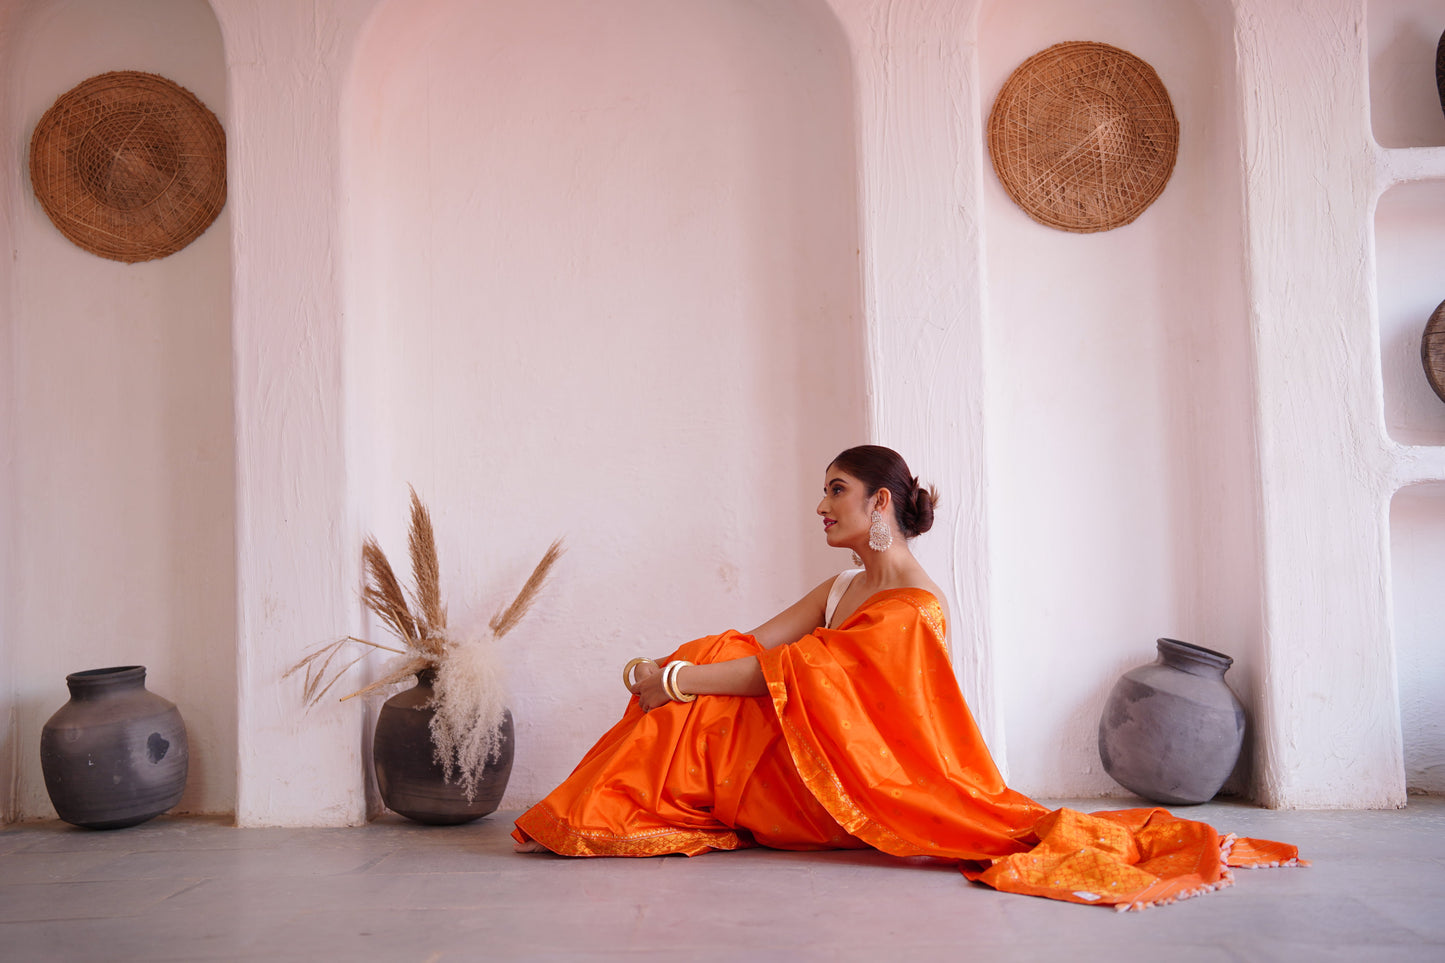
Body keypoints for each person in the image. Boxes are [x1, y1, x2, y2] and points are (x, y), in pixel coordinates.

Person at [512, 446, 1301, 910]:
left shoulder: (913, 604)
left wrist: (681, 683)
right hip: (808, 760)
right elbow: (755, 644)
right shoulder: (838, 588)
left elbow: (806, 675)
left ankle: (613, 809)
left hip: (861, 786)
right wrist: (669, 667)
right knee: (713, 649)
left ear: (878, 502)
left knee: (717, 682)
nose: (818, 505)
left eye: (835, 490)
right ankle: (621, 807)